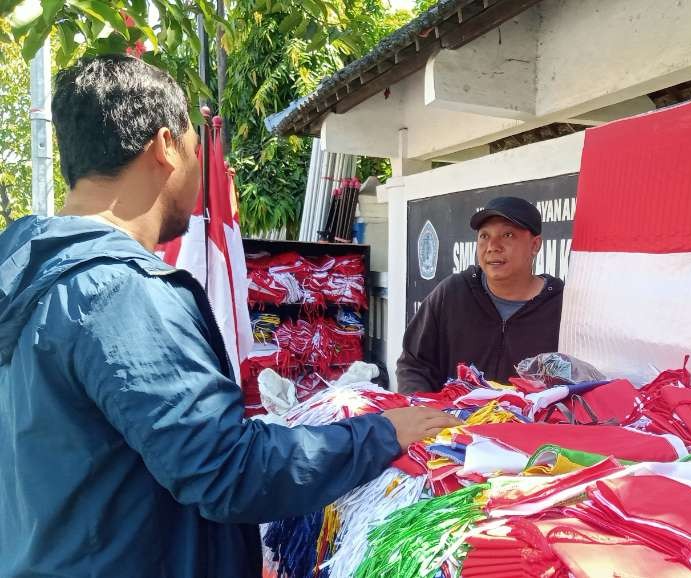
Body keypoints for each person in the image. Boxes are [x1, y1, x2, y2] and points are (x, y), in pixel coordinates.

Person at [0, 54, 459, 577]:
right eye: (196, 148)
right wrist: (380, 434)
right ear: (165, 146)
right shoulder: (121, 293)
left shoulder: (27, 272)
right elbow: (225, 471)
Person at [397, 196, 564, 393]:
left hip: (526, 423)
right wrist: (424, 412)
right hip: (451, 422)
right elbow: (414, 365)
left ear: (535, 245)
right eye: (484, 236)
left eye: (508, 235)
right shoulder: (452, 293)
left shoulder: (562, 306)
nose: (493, 246)